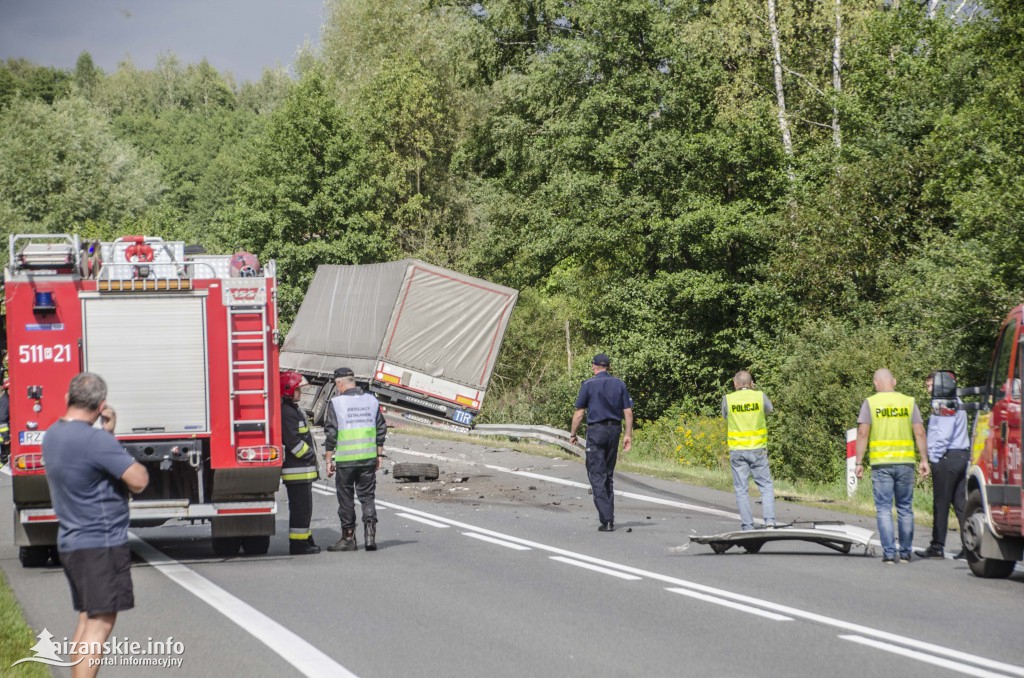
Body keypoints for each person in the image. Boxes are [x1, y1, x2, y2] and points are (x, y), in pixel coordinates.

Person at [42, 373, 149, 677]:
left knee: (87, 619)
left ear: (68, 398)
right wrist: (108, 435)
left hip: (72, 540)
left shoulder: (53, 434)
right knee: (100, 624)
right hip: (99, 543)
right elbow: (138, 480)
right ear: (101, 405)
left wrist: (106, 435)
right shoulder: (94, 440)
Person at [854, 368, 930, 564]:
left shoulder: (871, 403)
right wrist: (924, 459)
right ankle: (905, 553)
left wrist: (858, 462)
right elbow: (920, 432)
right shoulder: (908, 402)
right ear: (894, 382)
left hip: (882, 464)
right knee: (905, 508)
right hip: (905, 463)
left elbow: (862, 433)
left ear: (876, 384)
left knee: (884, 509)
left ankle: (889, 554)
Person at [323, 367, 387, 552]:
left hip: (346, 460)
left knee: (346, 499)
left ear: (340, 384)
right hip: (368, 458)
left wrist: (329, 461)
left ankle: (348, 538)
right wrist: (379, 455)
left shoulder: (336, 403)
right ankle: (370, 538)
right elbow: (380, 428)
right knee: (367, 497)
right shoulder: (371, 400)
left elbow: (331, 434)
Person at [569, 353, 634, 532]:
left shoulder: (588, 384)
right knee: (608, 474)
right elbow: (628, 412)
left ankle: (606, 519)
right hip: (614, 431)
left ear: (594, 366)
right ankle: (609, 517)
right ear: (608, 367)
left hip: (596, 431)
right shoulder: (619, 384)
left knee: (597, 475)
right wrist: (628, 435)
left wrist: (573, 434)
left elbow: (579, 413)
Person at [917, 371, 969, 560]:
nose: (928, 389)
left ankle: (937, 546)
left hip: (947, 458)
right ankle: (969, 545)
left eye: (930, 385)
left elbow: (942, 436)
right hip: (962, 456)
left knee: (941, 503)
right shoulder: (959, 402)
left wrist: (934, 458)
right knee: (961, 504)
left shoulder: (944, 403)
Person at [722, 371, 776, 531]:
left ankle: (747, 525)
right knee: (765, 486)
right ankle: (770, 522)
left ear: (735, 383)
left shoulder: (728, 399)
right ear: (751, 383)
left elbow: (725, 416)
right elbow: (769, 410)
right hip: (758, 448)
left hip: (737, 450)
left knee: (741, 489)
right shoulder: (759, 396)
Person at [279, 371, 320, 555]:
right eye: (297, 390)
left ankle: (305, 539)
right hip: (297, 471)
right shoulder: (287, 413)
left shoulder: (292, 410)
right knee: (300, 509)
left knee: (304, 510)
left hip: (302, 471)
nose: (300, 393)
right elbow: (293, 443)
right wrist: (310, 454)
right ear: (288, 390)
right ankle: (298, 545)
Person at [0, 377, 9, 466]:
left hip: (4, 436)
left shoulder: (6, 399)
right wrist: (6, 437)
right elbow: (2, 420)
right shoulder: (5, 401)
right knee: (4, 458)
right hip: (3, 437)